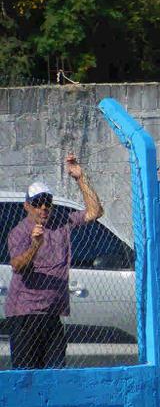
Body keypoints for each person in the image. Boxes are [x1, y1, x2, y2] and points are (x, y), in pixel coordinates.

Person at [5, 153, 103, 369]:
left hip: (52, 313)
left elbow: (95, 211)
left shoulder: (60, 221)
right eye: (37, 203)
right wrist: (35, 245)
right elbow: (18, 265)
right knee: (27, 376)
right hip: (26, 315)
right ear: (27, 206)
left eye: (47, 202)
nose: (43, 208)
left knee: (56, 372)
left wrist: (80, 178)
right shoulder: (19, 233)